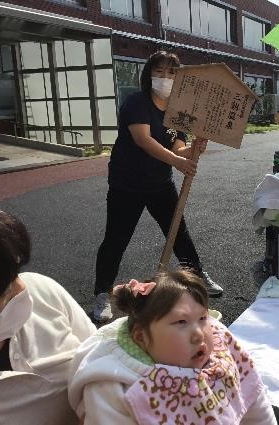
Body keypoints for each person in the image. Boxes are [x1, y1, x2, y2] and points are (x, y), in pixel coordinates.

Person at [94, 50, 223, 322]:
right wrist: (178, 161)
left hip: (160, 183)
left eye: (172, 73)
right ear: (148, 74)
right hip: (127, 183)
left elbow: (178, 147)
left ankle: (196, 275)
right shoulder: (136, 102)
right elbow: (144, 140)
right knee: (116, 238)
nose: (165, 78)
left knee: (178, 231)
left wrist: (194, 148)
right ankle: (102, 293)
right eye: (159, 72)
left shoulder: (178, 109)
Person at [68, 269, 278, 425]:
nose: (199, 333)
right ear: (141, 337)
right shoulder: (118, 388)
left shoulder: (218, 343)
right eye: (181, 322)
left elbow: (254, 402)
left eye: (202, 317)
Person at [0, 197, 96, 425]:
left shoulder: (42, 290)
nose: (22, 287)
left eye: (15, 272)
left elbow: (101, 354)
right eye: (4, 290)